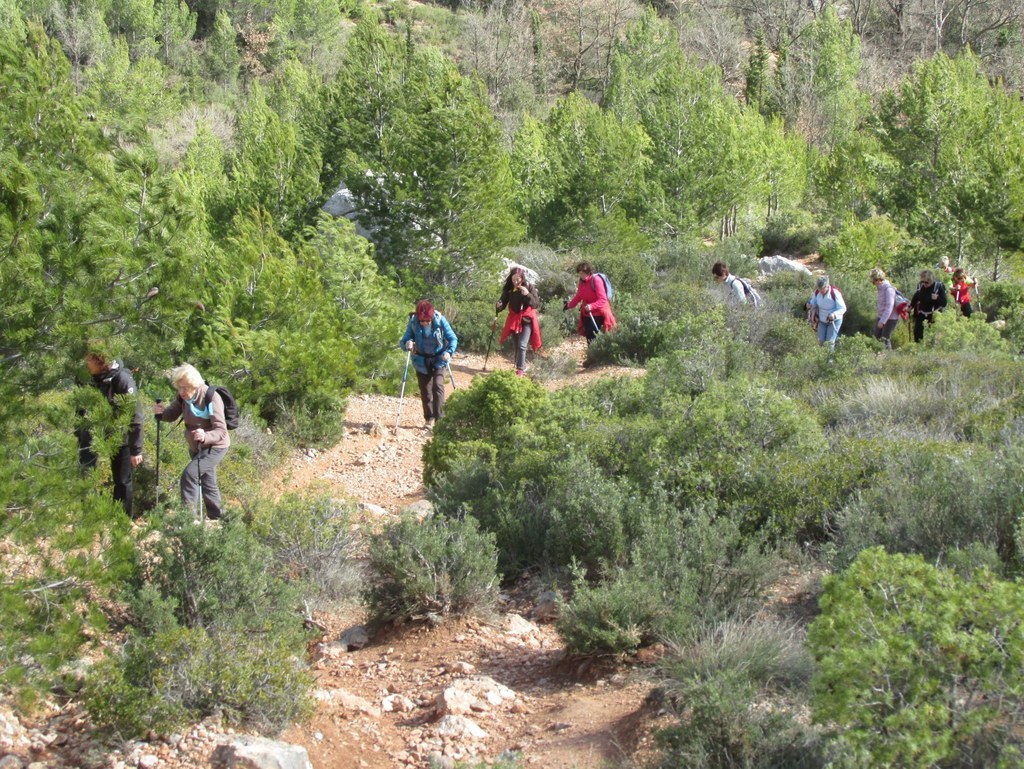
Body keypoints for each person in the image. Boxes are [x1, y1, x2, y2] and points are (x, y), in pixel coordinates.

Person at [153, 364, 230, 519]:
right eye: (179, 388)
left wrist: (205, 435)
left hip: (215, 446)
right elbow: (171, 414)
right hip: (196, 447)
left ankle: (187, 519)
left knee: (190, 475)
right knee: (208, 481)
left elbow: (221, 431)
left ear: (194, 385)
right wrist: (161, 413)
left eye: (185, 388)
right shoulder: (183, 398)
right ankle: (219, 518)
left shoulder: (211, 397)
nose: (181, 392)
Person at [76, 344, 144, 517]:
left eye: (89, 359)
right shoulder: (85, 376)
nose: (86, 363)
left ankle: (121, 519)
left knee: (122, 480)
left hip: (118, 433)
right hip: (90, 430)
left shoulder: (122, 379)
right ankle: (88, 515)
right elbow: (79, 404)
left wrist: (136, 449)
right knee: (86, 473)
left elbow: (134, 415)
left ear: (100, 361)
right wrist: (78, 430)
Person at [400, 300, 458, 427]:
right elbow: (404, 340)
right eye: (422, 321)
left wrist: (449, 352)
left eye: (427, 320)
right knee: (425, 390)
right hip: (421, 360)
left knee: (438, 386)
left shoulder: (440, 320)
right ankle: (429, 418)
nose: (425, 323)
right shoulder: (413, 322)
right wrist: (407, 343)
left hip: (439, 358)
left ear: (432, 317)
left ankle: (440, 419)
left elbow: (453, 338)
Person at [495, 266, 542, 376]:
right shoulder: (509, 289)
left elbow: (536, 304)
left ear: (522, 278)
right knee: (517, 345)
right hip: (514, 319)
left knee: (522, 344)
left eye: (518, 279)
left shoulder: (529, 287)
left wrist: (527, 295)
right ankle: (520, 366)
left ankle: (520, 370)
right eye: (513, 279)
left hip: (527, 320)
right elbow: (503, 302)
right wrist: (499, 305)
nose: (515, 282)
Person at [564, 262, 616, 343]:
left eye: (583, 273)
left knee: (592, 334)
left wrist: (592, 306)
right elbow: (579, 296)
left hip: (599, 312)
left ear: (588, 272)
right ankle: (592, 353)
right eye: (580, 273)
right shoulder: (582, 281)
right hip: (587, 312)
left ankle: (597, 353)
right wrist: (569, 305)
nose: (581, 275)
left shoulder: (596, 280)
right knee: (588, 335)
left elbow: (603, 299)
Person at [805, 276, 846, 350]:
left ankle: (830, 361)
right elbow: (814, 302)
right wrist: (809, 304)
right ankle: (820, 360)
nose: (820, 290)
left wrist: (834, 314)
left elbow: (843, 308)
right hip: (822, 320)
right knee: (820, 341)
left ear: (827, 286)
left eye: (822, 288)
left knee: (829, 343)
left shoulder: (835, 293)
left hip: (834, 321)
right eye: (819, 288)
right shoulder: (817, 292)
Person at [910, 269, 947, 342]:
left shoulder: (938, 286)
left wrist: (937, 298)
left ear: (931, 280)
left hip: (934, 314)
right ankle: (918, 349)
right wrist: (911, 306)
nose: (924, 284)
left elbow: (944, 303)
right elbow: (916, 297)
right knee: (917, 333)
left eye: (926, 282)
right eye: (922, 281)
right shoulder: (921, 286)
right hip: (922, 312)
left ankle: (931, 351)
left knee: (932, 336)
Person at [869, 268, 901, 350]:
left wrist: (883, 321)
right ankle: (878, 356)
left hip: (890, 318)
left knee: (885, 339)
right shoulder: (880, 288)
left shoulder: (888, 289)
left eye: (876, 280)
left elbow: (889, 307)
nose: (875, 282)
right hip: (881, 316)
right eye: (874, 280)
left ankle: (888, 359)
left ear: (880, 278)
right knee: (876, 337)